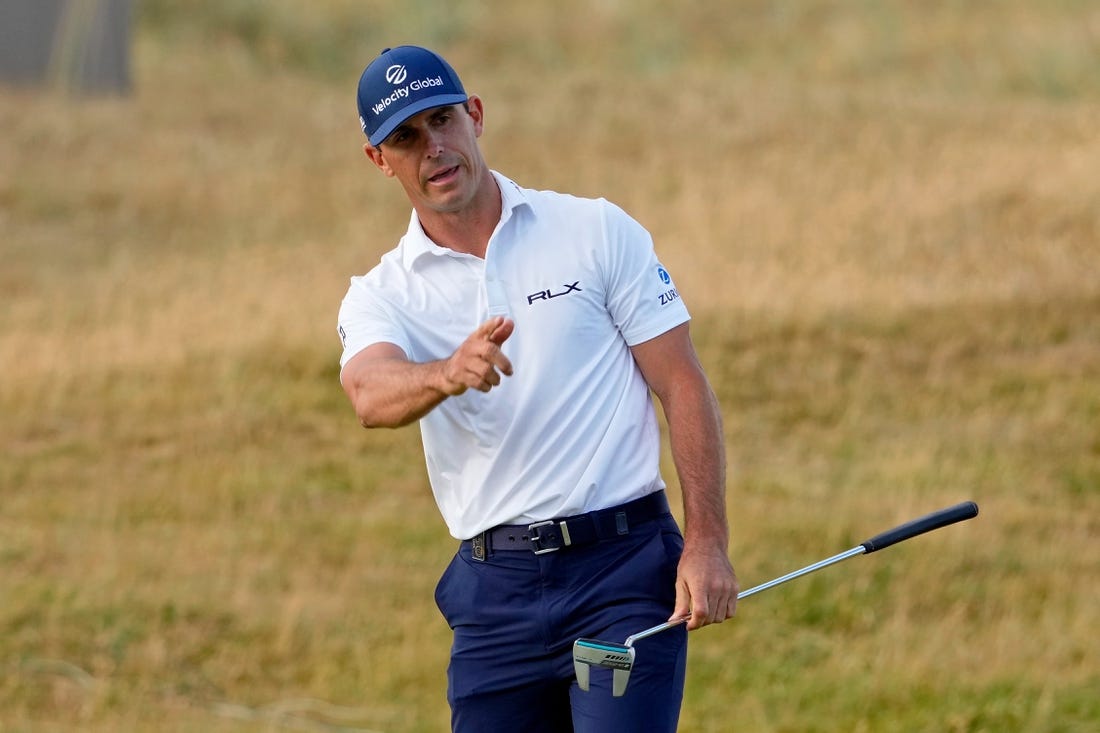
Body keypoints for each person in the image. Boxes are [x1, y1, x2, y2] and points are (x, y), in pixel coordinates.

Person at [337, 45, 738, 733]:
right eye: (406, 137)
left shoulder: (594, 231)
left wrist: (707, 541)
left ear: (476, 115)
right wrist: (443, 372)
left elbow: (683, 384)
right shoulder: (382, 293)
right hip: (496, 596)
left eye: (442, 121)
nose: (433, 148)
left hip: (624, 573)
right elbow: (369, 392)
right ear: (379, 158)